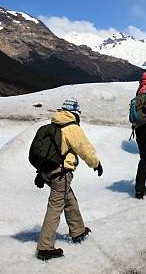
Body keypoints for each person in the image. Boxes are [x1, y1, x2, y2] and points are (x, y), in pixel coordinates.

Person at [35, 98, 102, 261]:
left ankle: (78, 231)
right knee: (55, 208)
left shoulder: (53, 125)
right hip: (61, 173)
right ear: (75, 112)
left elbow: (47, 151)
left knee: (70, 200)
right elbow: (84, 148)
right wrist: (96, 164)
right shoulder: (71, 127)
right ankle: (45, 248)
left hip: (48, 172)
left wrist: (40, 173)